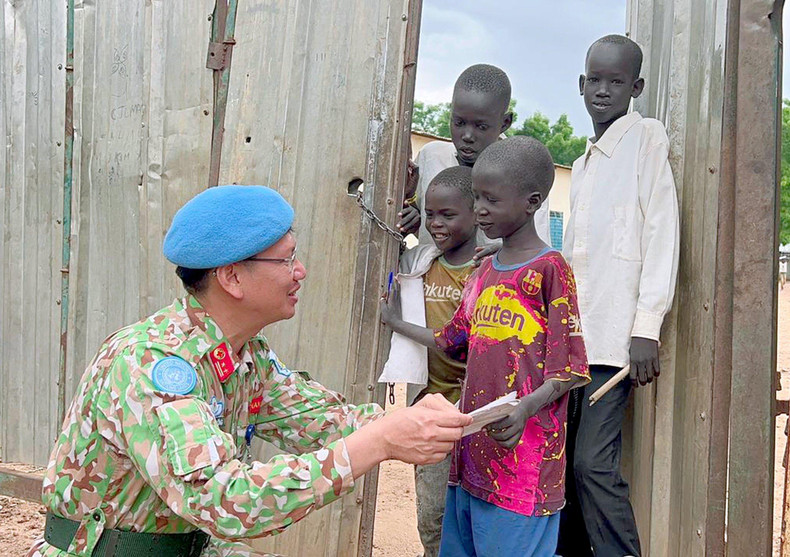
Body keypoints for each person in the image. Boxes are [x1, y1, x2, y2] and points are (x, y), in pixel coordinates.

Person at [28, 185, 472, 557]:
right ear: (232, 278)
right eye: (286, 260)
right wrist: (379, 442)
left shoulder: (245, 355)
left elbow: (323, 421)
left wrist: (407, 421)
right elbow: (224, 499)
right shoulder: (152, 363)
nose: (301, 272)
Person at [382, 137, 590, 557]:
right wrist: (395, 322)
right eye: (477, 197)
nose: (479, 210)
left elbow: (569, 367)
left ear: (531, 202)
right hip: (471, 461)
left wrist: (525, 408)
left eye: (491, 200)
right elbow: (449, 342)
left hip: (523, 466)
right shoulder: (484, 272)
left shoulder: (549, 270)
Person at [557, 35, 680, 557]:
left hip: (615, 343)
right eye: (595, 81)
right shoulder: (582, 165)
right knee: (563, 464)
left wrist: (646, 325)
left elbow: (662, 230)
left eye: (616, 81)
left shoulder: (646, 138)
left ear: (637, 87)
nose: (603, 91)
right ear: (581, 85)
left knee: (591, 464)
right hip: (574, 344)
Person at [379, 166, 478, 557]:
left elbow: (458, 344)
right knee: (431, 512)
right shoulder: (422, 261)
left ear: (476, 213)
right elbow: (386, 247)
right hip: (429, 404)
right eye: (430, 214)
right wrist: (402, 201)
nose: (436, 224)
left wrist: (396, 323)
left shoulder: (483, 270)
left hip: (469, 407)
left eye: (448, 215)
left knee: (463, 508)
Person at [397, 64, 550, 246]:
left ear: (505, 122)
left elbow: (535, 247)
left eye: (481, 126)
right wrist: (412, 213)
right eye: (459, 122)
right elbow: (427, 226)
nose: (467, 136)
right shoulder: (431, 157)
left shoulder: (524, 173)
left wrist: (498, 255)